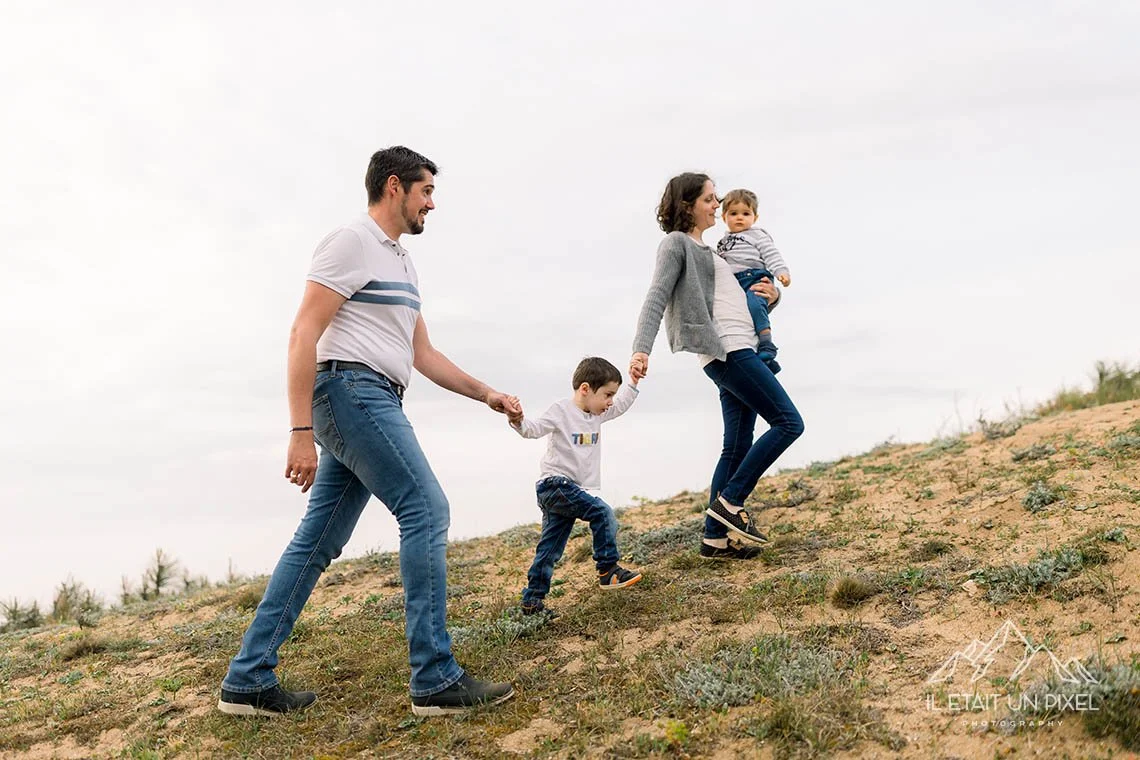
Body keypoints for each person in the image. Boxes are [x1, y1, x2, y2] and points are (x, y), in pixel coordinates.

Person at [218, 146, 518, 718]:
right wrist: (300, 429)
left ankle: (247, 679)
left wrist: (487, 394)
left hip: (373, 395)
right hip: (350, 392)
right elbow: (303, 332)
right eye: (426, 191)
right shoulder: (351, 242)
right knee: (425, 509)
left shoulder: (401, 263)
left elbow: (422, 353)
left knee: (319, 539)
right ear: (393, 187)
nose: (432, 203)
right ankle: (434, 680)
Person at [629, 172, 804, 559]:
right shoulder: (676, 244)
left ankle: (714, 539)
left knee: (736, 445)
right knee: (789, 423)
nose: (718, 204)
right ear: (687, 205)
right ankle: (730, 503)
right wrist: (642, 349)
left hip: (742, 347)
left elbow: (738, 299)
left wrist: (771, 294)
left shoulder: (715, 253)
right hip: (727, 351)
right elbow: (656, 296)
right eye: (710, 198)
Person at [508, 357, 643, 618]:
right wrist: (518, 419)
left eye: (612, 395)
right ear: (585, 389)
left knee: (549, 549)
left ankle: (532, 602)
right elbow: (532, 429)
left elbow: (623, 405)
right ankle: (608, 570)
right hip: (554, 485)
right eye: (607, 394)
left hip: (567, 492)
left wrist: (634, 382)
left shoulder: (596, 416)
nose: (610, 402)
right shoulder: (561, 411)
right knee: (601, 512)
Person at [716, 188, 792, 374]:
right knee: (744, 320)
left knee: (756, 305)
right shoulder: (722, 243)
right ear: (724, 217)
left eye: (746, 213)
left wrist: (781, 272)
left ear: (755, 218)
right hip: (735, 284)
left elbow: (771, 254)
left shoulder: (757, 235)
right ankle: (764, 361)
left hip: (754, 278)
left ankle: (767, 343)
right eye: (734, 213)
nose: (739, 218)